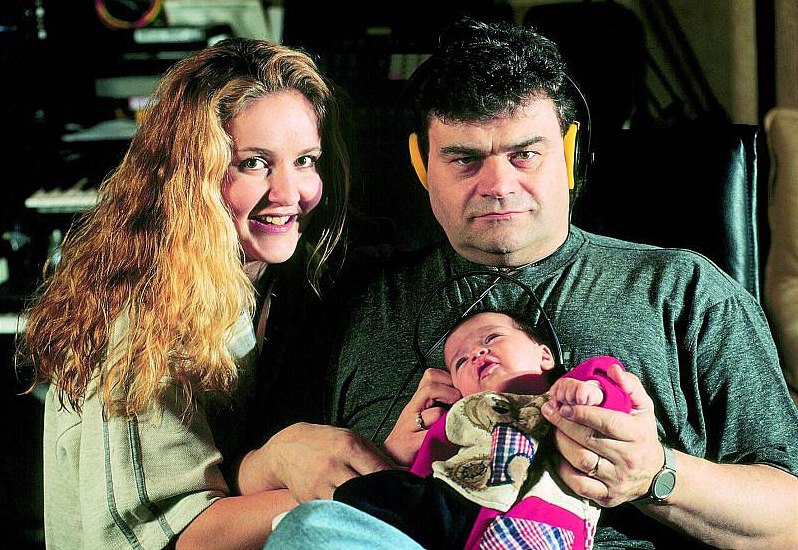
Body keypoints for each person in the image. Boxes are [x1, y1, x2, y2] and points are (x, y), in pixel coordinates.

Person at [270, 17, 798, 549]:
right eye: (465, 159)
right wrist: (280, 457)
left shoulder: (682, 290)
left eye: (524, 154)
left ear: (569, 154)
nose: (498, 185)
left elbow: (790, 519)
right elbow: (252, 490)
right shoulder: (357, 300)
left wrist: (656, 475)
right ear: (422, 165)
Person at [16, 37, 392, 550]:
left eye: (305, 160)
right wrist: (362, 492)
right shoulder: (146, 316)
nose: (290, 194)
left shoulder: (272, 276)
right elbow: (177, 536)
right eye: (253, 163)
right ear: (190, 175)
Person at [334, 309, 632, 549]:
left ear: (544, 356)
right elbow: (429, 462)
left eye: (492, 338)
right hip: (453, 504)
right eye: (461, 362)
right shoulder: (461, 415)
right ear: (458, 389)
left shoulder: (567, 389)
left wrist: (593, 393)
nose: (477, 353)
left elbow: (611, 387)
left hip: (541, 516)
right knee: (358, 494)